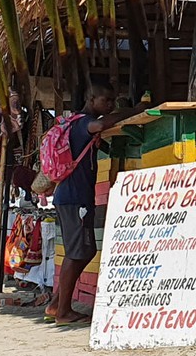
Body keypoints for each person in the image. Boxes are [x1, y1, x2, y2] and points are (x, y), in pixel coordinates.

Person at [45, 82, 147, 326]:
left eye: (113, 101)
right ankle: (63, 312)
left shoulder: (76, 124)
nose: (110, 105)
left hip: (72, 198)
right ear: (91, 99)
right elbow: (100, 125)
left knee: (84, 250)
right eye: (106, 100)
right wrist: (135, 110)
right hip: (74, 199)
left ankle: (57, 304)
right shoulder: (84, 123)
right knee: (77, 252)